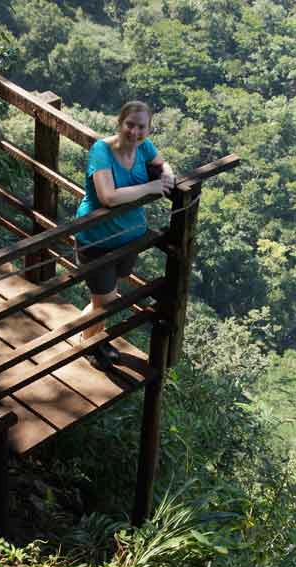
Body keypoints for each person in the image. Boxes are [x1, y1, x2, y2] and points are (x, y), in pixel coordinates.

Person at [75, 100, 174, 369]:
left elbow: (161, 163)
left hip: (129, 238)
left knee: (107, 298)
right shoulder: (101, 151)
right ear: (120, 124)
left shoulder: (144, 147)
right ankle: (89, 345)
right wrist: (152, 187)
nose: (134, 132)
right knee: (106, 302)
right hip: (97, 239)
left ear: (148, 130)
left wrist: (168, 174)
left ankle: (89, 335)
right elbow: (108, 197)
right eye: (129, 124)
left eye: (141, 127)